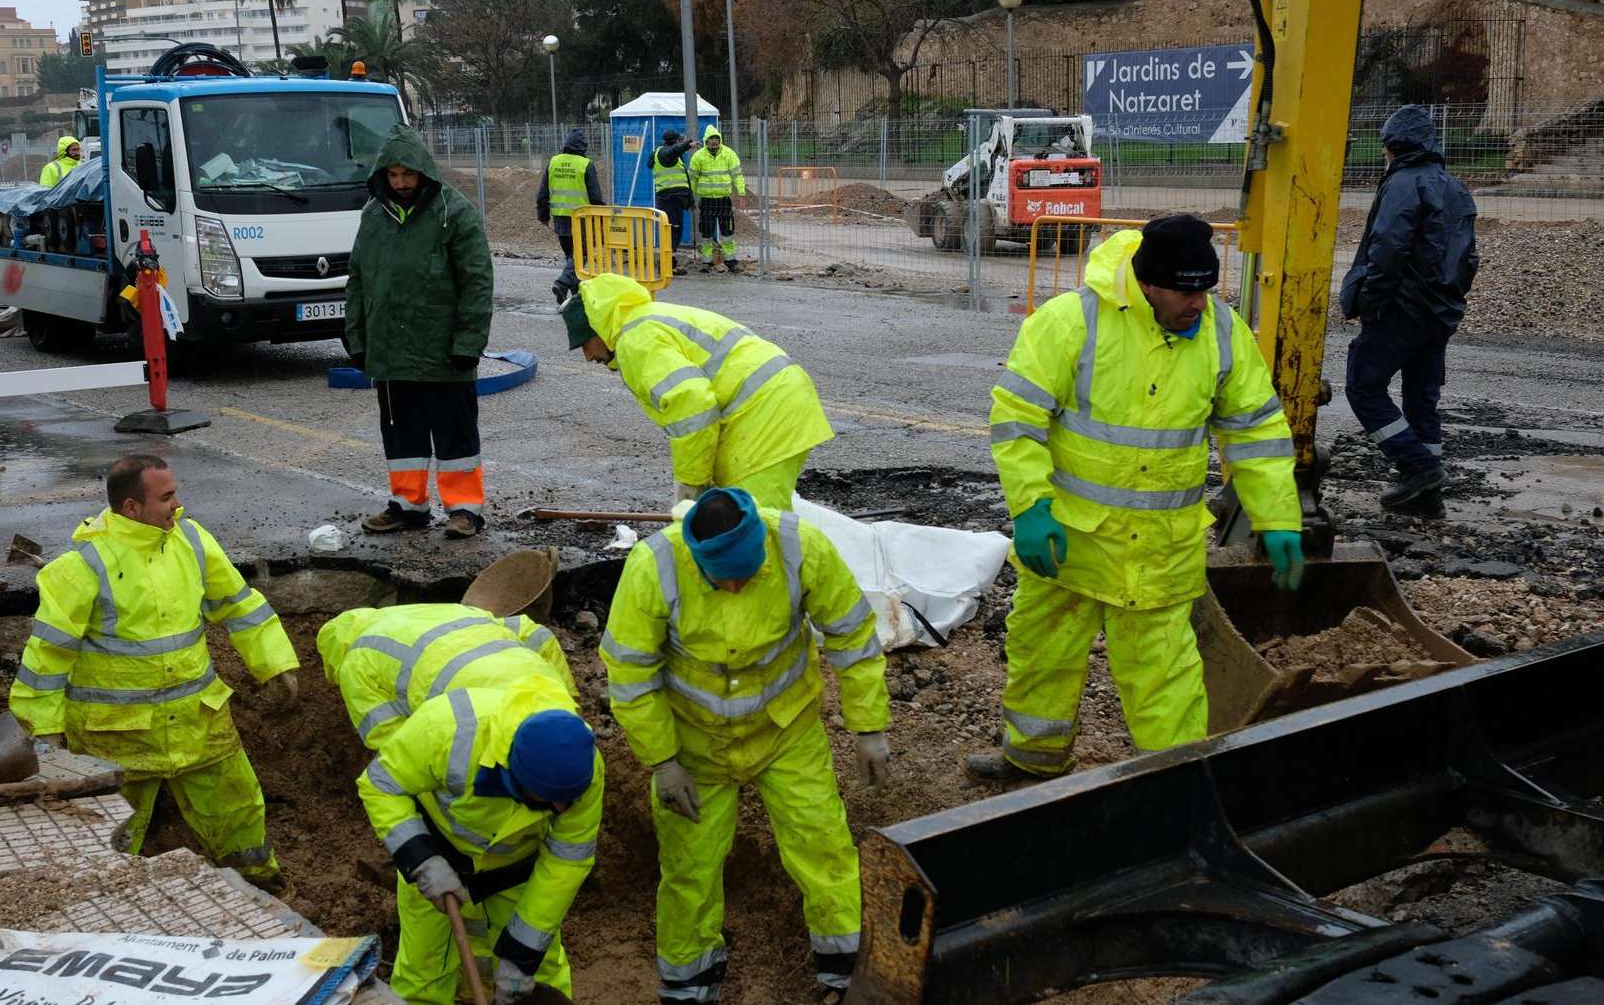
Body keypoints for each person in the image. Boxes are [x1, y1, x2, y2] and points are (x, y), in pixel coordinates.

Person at [968, 215, 1305, 784]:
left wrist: (1277, 516)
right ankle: (1032, 763)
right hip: (1068, 543)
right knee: (1042, 657)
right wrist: (1030, 507)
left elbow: (1255, 431)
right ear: (1146, 282)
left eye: (1206, 288)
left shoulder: (1223, 333)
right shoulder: (1070, 322)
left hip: (1159, 551)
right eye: (1185, 290)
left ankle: (1178, 789)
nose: (1198, 303)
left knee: (1165, 678)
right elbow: (1017, 419)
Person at [602, 487, 893, 1003]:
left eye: (746, 574)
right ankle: (689, 979)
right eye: (723, 579)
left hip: (786, 731)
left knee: (821, 843)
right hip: (694, 746)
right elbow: (630, 677)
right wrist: (663, 761)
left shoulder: (801, 547)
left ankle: (847, 966)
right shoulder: (654, 566)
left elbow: (851, 637)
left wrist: (869, 726)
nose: (735, 586)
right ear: (699, 559)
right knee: (689, 865)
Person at [9, 454, 297, 888]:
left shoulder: (192, 541)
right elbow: (47, 656)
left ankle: (263, 887)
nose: (178, 505)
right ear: (131, 507)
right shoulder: (82, 567)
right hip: (118, 738)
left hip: (201, 723)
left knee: (238, 811)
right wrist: (43, 731)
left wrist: (274, 663)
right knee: (109, 831)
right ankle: (108, 903)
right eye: (166, 497)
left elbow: (238, 604)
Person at [354, 672, 602, 1004]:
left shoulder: (582, 769)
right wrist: (423, 861)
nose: (561, 807)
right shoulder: (445, 731)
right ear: (516, 772)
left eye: (567, 799)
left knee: (536, 969)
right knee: (425, 969)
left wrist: (521, 958)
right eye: (548, 797)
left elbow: (566, 863)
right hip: (438, 845)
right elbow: (380, 784)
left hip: (516, 861)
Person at [559, 272, 834, 509]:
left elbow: (693, 408)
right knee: (740, 519)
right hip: (771, 406)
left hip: (767, 412)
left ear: (597, 330)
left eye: (584, 345)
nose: (587, 356)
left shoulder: (634, 341)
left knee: (755, 530)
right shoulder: (645, 321)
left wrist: (691, 487)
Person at [345, 123, 495, 540]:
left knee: (455, 435)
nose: (401, 183)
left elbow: (477, 281)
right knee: (401, 432)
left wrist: (469, 342)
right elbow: (358, 277)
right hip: (392, 352)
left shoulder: (454, 211)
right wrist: (355, 337)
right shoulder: (374, 214)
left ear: (422, 172)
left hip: (445, 352)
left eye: (407, 175)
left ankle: (465, 510)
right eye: (392, 176)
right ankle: (408, 506)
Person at [1339, 104, 1480, 510]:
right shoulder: (1453, 186)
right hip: (1440, 312)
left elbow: (1387, 249)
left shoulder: (1403, 183)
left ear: (1393, 146)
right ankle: (1426, 496)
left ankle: (1418, 467)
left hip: (1403, 308)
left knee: (1363, 387)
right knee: (1422, 397)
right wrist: (1451, 301)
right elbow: (1469, 258)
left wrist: (1369, 301)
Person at [317, 603, 576, 749]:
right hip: (546, 693)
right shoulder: (457, 609)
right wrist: (568, 697)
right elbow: (536, 633)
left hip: (473, 715)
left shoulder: (357, 658)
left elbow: (390, 738)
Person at [536, 128, 606, 303]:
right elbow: (595, 196)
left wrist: (543, 215)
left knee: (572, 258)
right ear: (583, 147)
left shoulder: (554, 162)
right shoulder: (585, 164)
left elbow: (543, 193)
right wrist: (603, 216)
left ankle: (573, 299)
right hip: (581, 219)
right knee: (582, 255)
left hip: (560, 218)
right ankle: (562, 283)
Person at [687, 125, 747, 272]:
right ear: (706, 141)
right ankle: (706, 262)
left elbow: (737, 175)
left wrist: (742, 193)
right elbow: (692, 179)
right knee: (706, 232)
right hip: (706, 200)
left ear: (720, 140)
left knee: (727, 232)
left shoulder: (728, 154)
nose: (713, 142)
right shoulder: (698, 156)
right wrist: (690, 198)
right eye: (710, 140)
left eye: (716, 139)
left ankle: (730, 260)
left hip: (723, 200)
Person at [648, 130, 696, 252]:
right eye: (679, 141)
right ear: (674, 142)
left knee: (672, 228)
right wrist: (687, 145)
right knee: (673, 229)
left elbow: (685, 180)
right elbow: (673, 151)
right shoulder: (664, 153)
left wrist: (691, 201)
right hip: (670, 198)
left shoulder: (668, 156)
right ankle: (669, 262)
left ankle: (669, 260)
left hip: (671, 198)